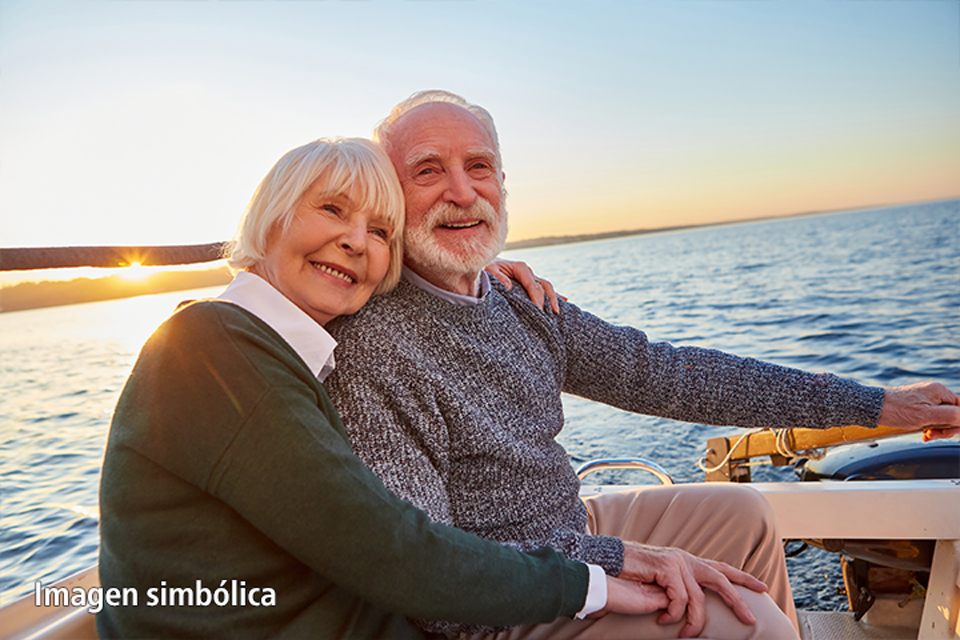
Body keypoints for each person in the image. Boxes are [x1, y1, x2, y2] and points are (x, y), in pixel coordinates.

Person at [323, 91, 960, 640]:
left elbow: (663, 373)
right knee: (751, 623)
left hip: (566, 527)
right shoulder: (374, 346)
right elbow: (437, 572)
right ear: (388, 195)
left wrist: (878, 405)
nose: (462, 192)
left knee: (742, 515)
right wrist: (617, 560)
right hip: (508, 598)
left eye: (479, 167)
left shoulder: (519, 300)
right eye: (428, 171)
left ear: (503, 183)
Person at [96, 137, 684, 639]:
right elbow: (389, 549)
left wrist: (477, 267)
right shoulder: (210, 350)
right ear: (270, 219)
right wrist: (589, 584)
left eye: (380, 230)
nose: (357, 241)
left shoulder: (282, 352)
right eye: (331, 209)